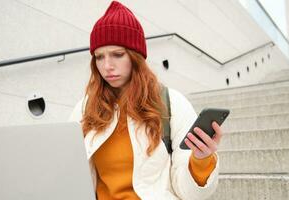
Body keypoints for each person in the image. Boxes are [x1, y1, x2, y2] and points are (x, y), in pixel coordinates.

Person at [69, 1, 222, 199]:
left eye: (117, 54)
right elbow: (71, 173)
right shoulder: (84, 108)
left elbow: (189, 193)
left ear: (136, 56)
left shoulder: (171, 103)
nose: (107, 66)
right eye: (99, 57)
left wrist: (201, 160)